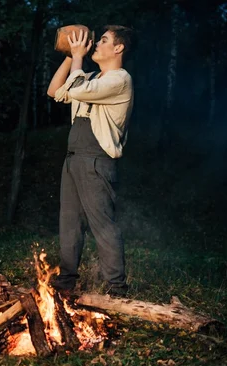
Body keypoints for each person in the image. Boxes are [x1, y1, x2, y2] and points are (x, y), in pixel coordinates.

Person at [46, 25, 134, 296]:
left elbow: (79, 89)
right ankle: (67, 280)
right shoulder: (90, 77)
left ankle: (116, 287)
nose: (96, 43)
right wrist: (71, 55)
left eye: (104, 40)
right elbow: (55, 91)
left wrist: (78, 59)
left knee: (102, 223)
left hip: (96, 159)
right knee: (69, 221)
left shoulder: (120, 79)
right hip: (74, 157)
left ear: (118, 48)